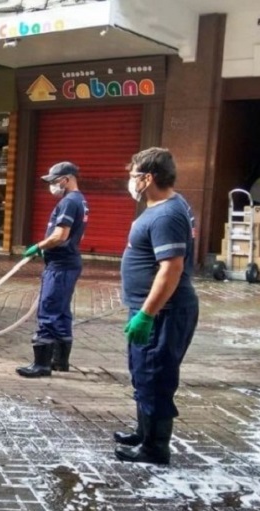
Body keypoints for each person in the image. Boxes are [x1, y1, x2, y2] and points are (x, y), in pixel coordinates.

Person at [114, 147, 198, 465]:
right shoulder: (164, 206)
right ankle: (143, 432)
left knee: (154, 377)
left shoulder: (166, 214)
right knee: (143, 374)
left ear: (148, 177)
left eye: (133, 174)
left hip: (163, 313)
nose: (130, 180)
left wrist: (147, 314)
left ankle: (154, 449)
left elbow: (171, 268)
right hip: (150, 310)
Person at [17, 161, 88, 378]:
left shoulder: (69, 202)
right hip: (68, 263)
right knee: (62, 312)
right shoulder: (80, 200)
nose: (52, 187)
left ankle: (41, 365)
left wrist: (38, 246)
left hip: (60, 265)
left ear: (66, 179)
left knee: (48, 311)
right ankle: (60, 361)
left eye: (55, 182)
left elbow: (60, 236)